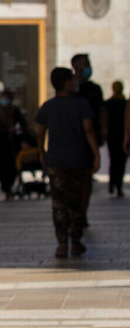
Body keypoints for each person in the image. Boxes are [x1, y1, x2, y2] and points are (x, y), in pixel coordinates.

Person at [36, 67, 100, 258]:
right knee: (77, 203)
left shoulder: (47, 106)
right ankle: (76, 241)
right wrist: (96, 154)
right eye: (72, 79)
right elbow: (89, 130)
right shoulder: (82, 105)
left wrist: (41, 153)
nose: (75, 82)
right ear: (65, 83)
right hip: (79, 160)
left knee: (58, 203)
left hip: (55, 161)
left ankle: (62, 243)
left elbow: (40, 133)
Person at [73, 53, 104, 224]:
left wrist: (103, 129)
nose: (88, 67)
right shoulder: (71, 90)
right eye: (85, 64)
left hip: (89, 139)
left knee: (85, 177)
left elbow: (100, 112)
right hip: (74, 139)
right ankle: (76, 212)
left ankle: (82, 212)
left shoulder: (94, 89)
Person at [0, 88, 28, 200]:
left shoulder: (15, 110)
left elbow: (22, 124)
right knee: (2, 165)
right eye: (4, 97)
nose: (5, 100)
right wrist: (7, 129)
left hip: (12, 141)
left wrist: (15, 130)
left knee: (12, 166)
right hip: (1, 140)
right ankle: (6, 188)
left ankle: (10, 187)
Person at [105, 81, 126, 198]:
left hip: (112, 136)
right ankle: (118, 185)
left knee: (113, 160)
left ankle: (112, 183)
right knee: (121, 162)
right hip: (122, 136)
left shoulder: (108, 104)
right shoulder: (124, 103)